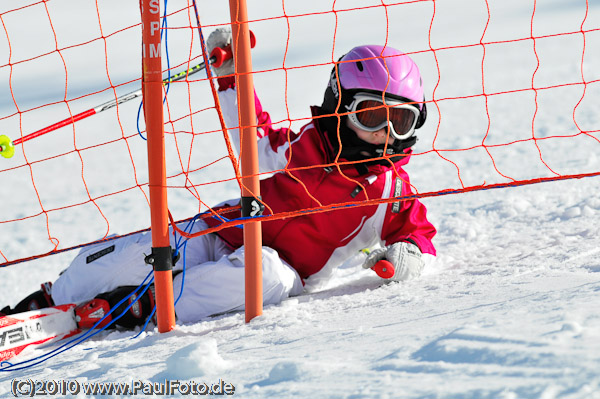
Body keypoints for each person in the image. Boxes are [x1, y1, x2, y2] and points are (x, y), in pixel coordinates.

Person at [1, 29, 436, 329]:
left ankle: (139, 305)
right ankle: (46, 301)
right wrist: (230, 78)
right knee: (145, 249)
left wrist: (410, 256)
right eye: (372, 114)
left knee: (265, 275)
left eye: (401, 119)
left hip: (286, 271)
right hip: (230, 228)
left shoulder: (390, 193)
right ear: (339, 104)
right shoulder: (306, 144)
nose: (386, 132)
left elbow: (421, 235)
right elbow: (255, 136)